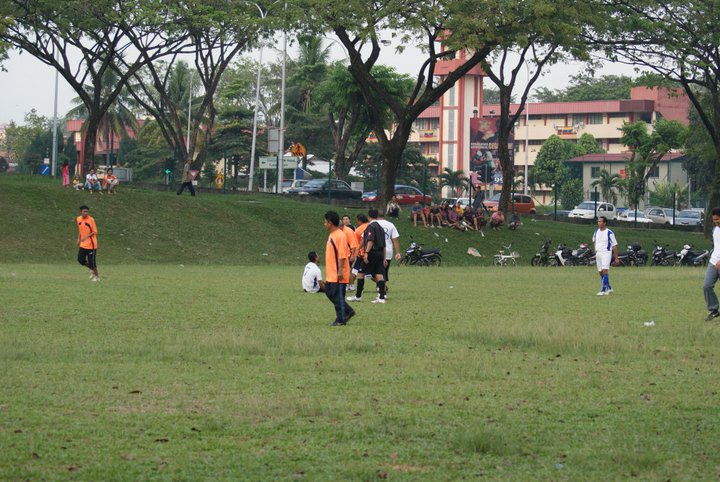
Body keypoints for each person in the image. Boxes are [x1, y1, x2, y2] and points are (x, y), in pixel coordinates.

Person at [347, 208, 387, 304]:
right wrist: (384, 258)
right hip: (380, 253)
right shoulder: (381, 228)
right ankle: (381, 298)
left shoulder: (370, 226)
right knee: (379, 274)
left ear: (369, 217)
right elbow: (384, 245)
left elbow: (370, 240)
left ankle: (358, 296)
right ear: (377, 216)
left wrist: (366, 253)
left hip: (372, 253)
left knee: (360, 273)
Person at [323, 211, 355, 326]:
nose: (324, 224)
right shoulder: (332, 234)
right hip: (331, 273)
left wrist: (340, 271)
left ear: (330, 223)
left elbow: (342, 255)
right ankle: (349, 311)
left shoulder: (340, 236)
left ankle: (341, 319)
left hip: (338, 273)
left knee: (338, 297)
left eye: (325, 222)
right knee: (329, 292)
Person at [593, 215, 619, 296]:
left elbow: (614, 246)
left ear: (604, 223)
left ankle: (603, 290)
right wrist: (596, 251)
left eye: (600, 221)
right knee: (601, 272)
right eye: (598, 221)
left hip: (606, 253)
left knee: (605, 271)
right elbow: (594, 241)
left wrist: (616, 258)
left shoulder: (609, 232)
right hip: (599, 253)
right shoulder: (596, 232)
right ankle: (609, 287)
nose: (599, 223)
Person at [376, 211, 401, 294]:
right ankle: (382, 287)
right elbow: (395, 240)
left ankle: (380, 287)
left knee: (374, 270)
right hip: (388, 251)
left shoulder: (372, 224)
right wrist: (398, 252)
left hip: (375, 250)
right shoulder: (390, 225)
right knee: (384, 271)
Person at [702, 207, 720, 320]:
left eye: (718, 219)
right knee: (707, 286)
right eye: (714, 220)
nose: (716, 222)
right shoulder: (716, 230)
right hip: (713, 262)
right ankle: (714, 310)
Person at [76, 204, 99, 281]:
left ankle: (97, 276)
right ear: (81, 212)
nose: (86, 213)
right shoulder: (78, 219)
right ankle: (92, 270)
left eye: (87, 212)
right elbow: (80, 230)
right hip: (83, 244)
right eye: (84, 211)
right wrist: (78, 239)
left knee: (92, 262)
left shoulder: (91, 219)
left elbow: (94, 231)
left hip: (91, 245)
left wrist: (86, 237)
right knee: (80, 259)